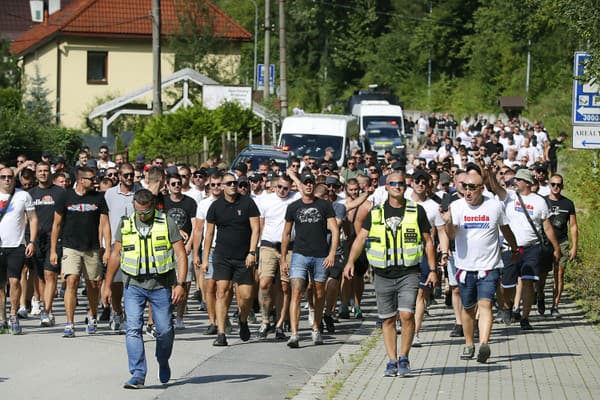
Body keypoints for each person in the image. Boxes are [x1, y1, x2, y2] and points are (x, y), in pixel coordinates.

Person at [344, 172, 437, 377]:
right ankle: (391, 360)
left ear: (406, 187)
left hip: (408, 272)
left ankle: (404, 357)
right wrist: (350, 261)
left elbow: (428, 241)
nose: (397, 186)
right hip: (383, 274)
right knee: (387, 319)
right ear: (386, 187)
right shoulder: (376, 212)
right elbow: (360, 238)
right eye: (393, 183)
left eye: (401, 184)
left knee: (406, 315)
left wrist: (432, 270)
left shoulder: (416, 211)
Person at [103, 189, 188, 389]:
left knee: (165, 330)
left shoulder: (166, 222)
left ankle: (163, 359)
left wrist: (181, 284)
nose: (142, 216)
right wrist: (107, 285)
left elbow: (181, 255)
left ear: (153, 206)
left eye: (146, 212)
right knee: (132, 328)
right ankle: (138, 374)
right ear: (134, 205)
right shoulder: (125, 224)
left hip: (161, 285)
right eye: (139, 212)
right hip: (133, 285)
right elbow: (116, 254)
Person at [441, 170, 519, 362]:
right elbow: (451, 235)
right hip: (465, 267)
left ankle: (484, 343)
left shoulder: (494, 206)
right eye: (464, 187)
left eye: (472, 188)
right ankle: (469, 344)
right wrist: (449, 222)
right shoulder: (457, 206)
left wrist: (515, 248)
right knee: (468, 309)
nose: (467, 191)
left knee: (485, 304)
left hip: (489, 265)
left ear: (481, 189)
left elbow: (505, 229)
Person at [489, 168, 560, 330]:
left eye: (518, 180)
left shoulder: (539, 201)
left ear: (527, 183)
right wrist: (488, 172)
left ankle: (525, 318)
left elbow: (547, 227)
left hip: (531, 248)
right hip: (511, 248)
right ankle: (507, 307)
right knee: (507, 284)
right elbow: (494, 187)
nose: (515, 182)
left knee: (528, 282)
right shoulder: (509, 196)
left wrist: (556, 247)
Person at [50, 167, 111, 337]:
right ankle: (70, 323)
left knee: (93, 284)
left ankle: (92, 315)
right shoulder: (65, 196)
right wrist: (53, 250)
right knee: (71, 281)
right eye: (92, 179)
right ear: (82, 180)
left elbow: (105, 223)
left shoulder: (99, 198)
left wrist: (108, 248)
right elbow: (56, 224)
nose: (95, 181)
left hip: (92, 247)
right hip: (70, 246)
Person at [201, 173, 260, 346]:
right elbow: (209, 234)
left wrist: (252, 252)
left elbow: (255, 229)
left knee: (246, 296)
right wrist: (205, 259)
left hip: (244, 257)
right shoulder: (215, 207)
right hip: (221, 256)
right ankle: (221, 333)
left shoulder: (248, 203)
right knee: (222, 291)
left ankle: (243, 320)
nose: (233, 185)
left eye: (235, 183)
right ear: (222, 187)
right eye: (229, 183)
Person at [281, 173, 339, 348]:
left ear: (313, 185)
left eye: (310, 183)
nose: (308, 185)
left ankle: (316, 328)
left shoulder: (324, 205)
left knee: (319, 294)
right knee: (296, 292)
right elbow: (286, 233)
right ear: (300, 186)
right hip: (299, 254)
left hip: (321, 255)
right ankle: (294, 333)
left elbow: (335, 230)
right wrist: (283, 258)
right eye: (305, 183)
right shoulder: (293, 207)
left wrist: (332, 253)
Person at [256, 175, 300, 339]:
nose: (282, 191)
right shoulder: (265, 200)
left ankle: (280, 323)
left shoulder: (295, 198)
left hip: (289, 247)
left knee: (284, 286)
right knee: (264, 283)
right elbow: (261, 224)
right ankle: (265, 319)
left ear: (291, 188)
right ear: (274, 187)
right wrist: (257, 246)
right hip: (268, 244)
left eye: (286, 188)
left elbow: (305, 190)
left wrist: (294, 177)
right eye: (279, 187)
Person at [0, 168, 38, 334]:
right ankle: (1, 319)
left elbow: (33, 218)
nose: (7, 180)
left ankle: (13, 314)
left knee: (14, 281)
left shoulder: (23, 196)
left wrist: (31, 242)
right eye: (3, 177)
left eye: (10, 177)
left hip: (17, 246)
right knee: (0, 286)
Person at [29, 161, 65, 327]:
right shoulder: (29, 194)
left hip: (54, 239)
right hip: (36, 240)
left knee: (50, 274)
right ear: (36, 174)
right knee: (41, 278)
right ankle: (47, 309)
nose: (43, 173)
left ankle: (46, 311)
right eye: (40, 171)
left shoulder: (60, 192)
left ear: (50, 172)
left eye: (45, 171)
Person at [103, 162, 139, 331]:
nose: (130, 178)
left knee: (134, 282)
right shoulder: (109, 194)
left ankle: (133, 315)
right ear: (119, 176)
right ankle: (117, 313)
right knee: (116, 282)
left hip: (137, 244)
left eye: (132, 174)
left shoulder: (140, 192)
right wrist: (106, 247)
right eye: (126, 175)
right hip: (115, 244)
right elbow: (104, 222)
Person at [163, 173, 197, 329]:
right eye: (173, 184)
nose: (177, 186)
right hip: (166, 247)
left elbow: (195, 226)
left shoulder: (190, 202)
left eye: (179, 183)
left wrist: (190, 244)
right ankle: (168, 312)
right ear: (168, 185)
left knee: (186, 282)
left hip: (185, 246)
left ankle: (180, 317)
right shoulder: (162, 202)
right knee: (169, 281)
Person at [542, 174, 578, 318]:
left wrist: (574, 246)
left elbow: (573, 226)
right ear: (549, 185)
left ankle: (555, 306)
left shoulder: (568, 203)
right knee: (542, 275)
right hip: (545, 242)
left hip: (562, 241)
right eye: (553, 184)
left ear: (562, 186)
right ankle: (539, 296)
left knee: (559, 274)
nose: (556, 187)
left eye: (559, 185)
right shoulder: (542, 201)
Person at [193, 173, 223, 335]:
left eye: (219, 184)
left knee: (223, 289)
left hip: (227, 250)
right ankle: (213, 322)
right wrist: (197, 253)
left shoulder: (230, 202)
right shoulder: (204, 204)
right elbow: (198, 230)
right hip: (209, 250)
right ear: (209, 186)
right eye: (213, 184)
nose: (216, 187)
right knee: (210, 287)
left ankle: (222, 316)